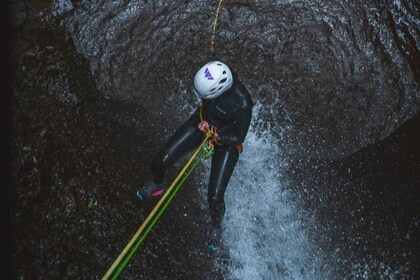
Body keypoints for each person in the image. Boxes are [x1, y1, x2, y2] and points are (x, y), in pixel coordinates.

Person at [136, 60, 253, 249]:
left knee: (214, 196)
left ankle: (216, 227)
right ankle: (156, 186)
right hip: (202, 121)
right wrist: (205, 122)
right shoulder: (211, 74)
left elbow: (238, 137)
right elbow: (205, 104)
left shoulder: (243, 103)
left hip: (226, 142)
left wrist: (217, 135)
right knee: (159, 162)